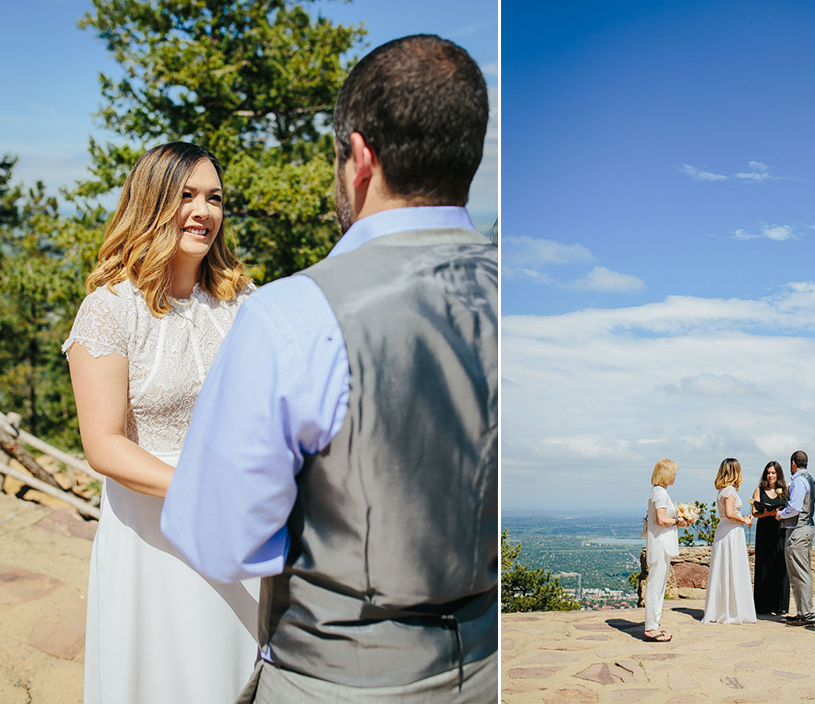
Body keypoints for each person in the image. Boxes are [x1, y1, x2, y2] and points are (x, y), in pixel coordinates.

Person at [161, 34, 497, 703]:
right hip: (489, 666)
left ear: (360, 156)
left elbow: (221, 539)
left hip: (341, 678)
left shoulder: (292, 314)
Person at [63, 142, 258, 704]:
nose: (204, 210)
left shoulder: (242, 301)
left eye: (214, 198)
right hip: (153, 533)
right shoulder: (110, 308)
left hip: (239, 526)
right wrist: (204, 494)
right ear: (152, 204)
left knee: (236, 673)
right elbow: (103, 445)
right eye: (186, 196)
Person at [643, 458, 692, 641]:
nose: (675, 476)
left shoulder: (657, 492)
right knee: (655, 586)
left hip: (659, 542)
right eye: (673, 473)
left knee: (659, 586)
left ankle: (654, 623)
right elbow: (662, 520)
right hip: (660, 543)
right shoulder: (660, 493)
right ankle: (651, 626)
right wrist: (678, 521)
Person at [702, 458, 756, 624]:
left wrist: (742, 518)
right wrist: (745, 520)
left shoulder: (722, 490)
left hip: (726, 529)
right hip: (730, 532)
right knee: (731, 567)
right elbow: (731, 513)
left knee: (725, 568)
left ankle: (724, 607)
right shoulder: (730, 490)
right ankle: (731, 610)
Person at [775, 450, 815, 627]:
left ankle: (806, 614)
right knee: (801, 572)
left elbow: (795, 507)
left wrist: (781, 515)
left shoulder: (798, 481)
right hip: (805, 528)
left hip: (798, 530)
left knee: (800, 573)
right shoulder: (810, 480)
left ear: (793, 463)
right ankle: (802, 612)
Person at [750, 461, 790, 616]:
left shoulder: (784, 491)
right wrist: (770, 513)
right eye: (768, 472)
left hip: (780, 531)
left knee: (780, 565)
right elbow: (755, 512)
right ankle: (762, 605)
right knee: (764, 565)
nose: (770, 475)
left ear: (778, 474)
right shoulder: (759, 490)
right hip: (765, 531)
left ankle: (780, 605)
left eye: (773, 472)